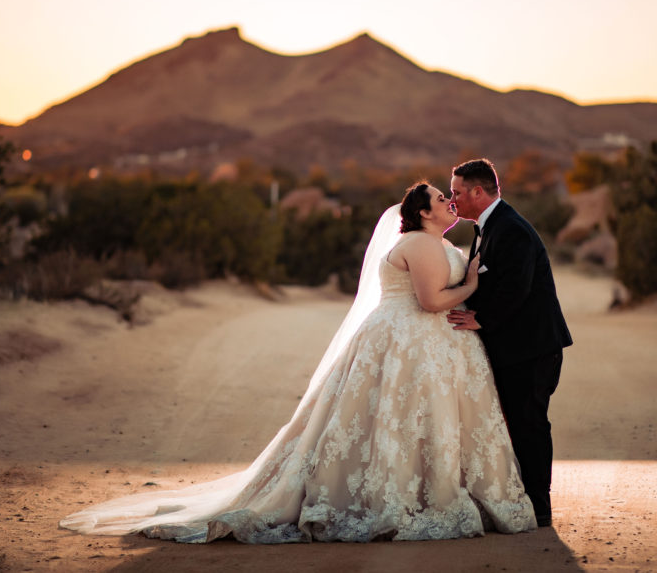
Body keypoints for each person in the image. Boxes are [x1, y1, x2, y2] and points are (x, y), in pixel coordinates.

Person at [60, 182, 537, 543]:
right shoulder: (417, 244)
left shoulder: (444, 245)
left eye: (450, 196)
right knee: (388, 418)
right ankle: (392, 497)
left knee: (417, 421)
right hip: (402, 343)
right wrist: (472, 283)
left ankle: (427, 489)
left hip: (432, 349)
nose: (448, 202)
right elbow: (432, 302)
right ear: (421, 212)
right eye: (440, 197)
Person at [447, 159, 573, 527]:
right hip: (515, 347)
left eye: (456, 192)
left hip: (532, 348)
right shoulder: (488, 227)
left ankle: (540, 507)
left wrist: (480, 319)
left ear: (478, 192)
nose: (452, 199)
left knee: (529, 424)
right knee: (516, 423)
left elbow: (516, 289)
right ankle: (526, 499)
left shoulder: (511, 229)